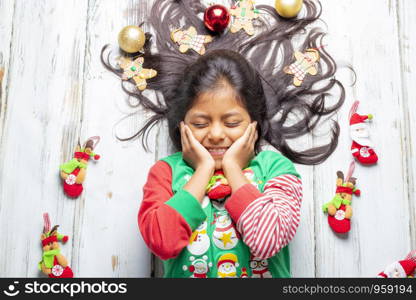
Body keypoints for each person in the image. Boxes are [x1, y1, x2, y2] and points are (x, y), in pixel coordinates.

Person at [102, 0, 346, 277]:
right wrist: (203, 170)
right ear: (182, 124)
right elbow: (162, 242)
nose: (216, 135)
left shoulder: (276, 169)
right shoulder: (165, 173)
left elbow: (267, 240)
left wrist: (233, 169)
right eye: (200, 123)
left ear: (253, 122)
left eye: (231, 122)